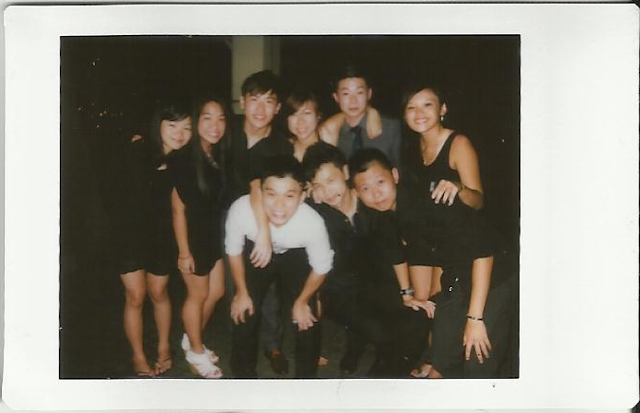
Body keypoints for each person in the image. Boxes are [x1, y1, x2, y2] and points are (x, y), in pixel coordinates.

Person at [397, 83, 511, 378]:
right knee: (441, 358)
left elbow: (478, 201)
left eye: (427, 104)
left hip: (489, 265)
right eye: (411, 107)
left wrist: (459, 188)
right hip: (454, 265)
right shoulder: (412, 150)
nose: (419, 113)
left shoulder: (458, 144)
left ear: (443, 109)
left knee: (477, 359)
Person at [225, 155, 334, 378]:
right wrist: (242, 292)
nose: (279, 206)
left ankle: (305, 382)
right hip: (257, 251)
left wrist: (302, 301)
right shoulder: (241, 210)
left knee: (307, 316)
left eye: (289, 196)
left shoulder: (312, 223)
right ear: (260, 193)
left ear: (302, 196)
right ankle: (242, 378)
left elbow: (322, 267)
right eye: (271, 194)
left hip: (295, 255)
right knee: (244, 310)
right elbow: (233, 251)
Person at [110, 101, 192, 377]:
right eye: (173, 125)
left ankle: (164, 347)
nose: (179, 133)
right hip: (129, 233)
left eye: (187, 128)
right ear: (159, 125)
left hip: (162, 237)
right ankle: (138, 357)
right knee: (135, 296)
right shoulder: (138, 149)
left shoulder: (184, 161)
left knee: (159, 293)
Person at [347, 148, 434, 377]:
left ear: (395, 175)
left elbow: (432, 261)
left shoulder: (414, 206)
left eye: (380, 182)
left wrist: (418, 298)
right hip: (420, 266)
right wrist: (407, 294)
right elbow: (395, 254)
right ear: (356, 193)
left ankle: (421, 362)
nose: (376, 194)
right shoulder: (381, 214)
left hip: (455, 268)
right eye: (366, 188)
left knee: (420, 313)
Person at [171, 95, 231, 378]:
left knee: (216, 291)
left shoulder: (214, 154)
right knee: (197, 295)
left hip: (211, 235)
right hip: (192, 238)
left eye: (221, 118)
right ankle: (196, 351)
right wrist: (184, 252)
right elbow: (178, 209)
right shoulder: (183, 158)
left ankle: (191, 338)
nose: (215, 125)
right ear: (197, 122)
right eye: (207, 118)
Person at [319, 64, 401, 167]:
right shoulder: (330, 133)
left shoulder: (390, 127)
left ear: (369, 94)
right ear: (336, 97)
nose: (353, 100)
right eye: (346, 94)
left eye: (359, 92)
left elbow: (400, 167)